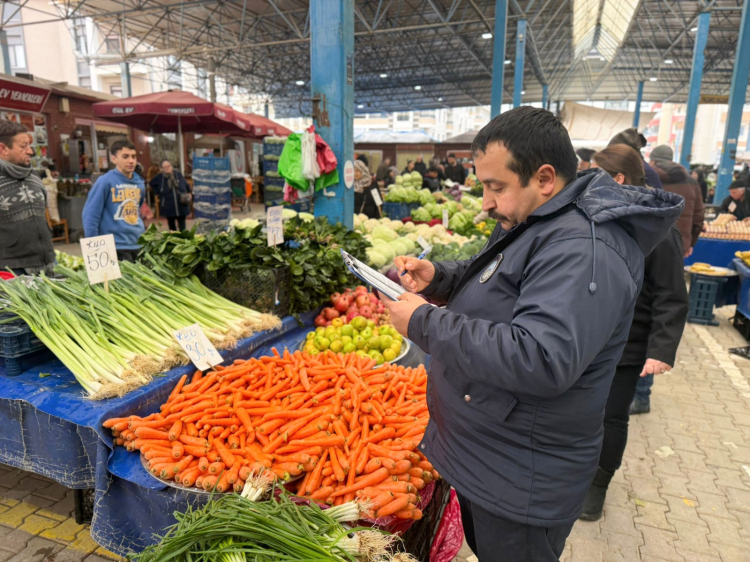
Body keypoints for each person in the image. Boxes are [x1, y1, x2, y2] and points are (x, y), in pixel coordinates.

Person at [382, 107, 684, 561]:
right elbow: (500, 275)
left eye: (496, 187)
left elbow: (541, 358)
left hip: (521, 478)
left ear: (544, 178)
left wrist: (424, 321)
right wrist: (440, 278)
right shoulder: (542, 218)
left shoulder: (584, 247)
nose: (485, 203)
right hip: (495, 458)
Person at [579, 145, 689, 521]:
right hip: (588, 337)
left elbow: (671, 295)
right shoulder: (595, 214)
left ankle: (598, 484)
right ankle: (576, 475)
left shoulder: (658, 228)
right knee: (581, 413)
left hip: (628, 343)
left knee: (611, 417)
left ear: (619, 179)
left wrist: (660, 349)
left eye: (595, 173)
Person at [0, 121, 55, 275]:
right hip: (11, 270)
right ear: (3, 148)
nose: (30, 151)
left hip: (47, 263)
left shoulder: (34, 176)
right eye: (23, 146)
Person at [82, 140, 145, 263]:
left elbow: (137, 208)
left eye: (133, 156)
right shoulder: (105, 182)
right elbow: (90, 215)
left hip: (138, 243)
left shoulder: (140, 183)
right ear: (114, 159)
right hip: (115, 246)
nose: (131, 161)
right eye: (125, 157)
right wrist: (94, 247)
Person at [650, 146, 704, 257]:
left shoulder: (647, 178)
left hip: (649, 242)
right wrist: (690, 243)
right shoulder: (691, 182)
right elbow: (698, 217)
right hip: (679, 243)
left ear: (653, 161)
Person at [149, 159, 192, 231]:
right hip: (168, 204)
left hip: (180, 203)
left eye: (168, 166)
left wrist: (189, 192)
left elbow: (185, 184)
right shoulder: (160, 177)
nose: (167, 168)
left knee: (182, 226)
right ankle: (173, 237)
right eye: (165, 167)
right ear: (162, 168)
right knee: (171, 226)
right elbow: (152, 183)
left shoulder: (178, 175)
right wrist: (158, 192)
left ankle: (183, 237)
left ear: (171, 166)